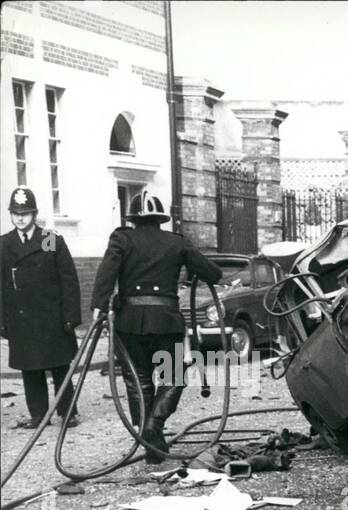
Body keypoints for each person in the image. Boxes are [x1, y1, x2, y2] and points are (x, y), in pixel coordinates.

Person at [90, 192, 222, 463]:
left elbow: (107, 271)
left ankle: (147, 434)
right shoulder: (177, 242)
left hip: (129, 322)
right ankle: (155, 427)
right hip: (166, 321)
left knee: (138, 380)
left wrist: (99, 306)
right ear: (161, 219)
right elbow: (213, 274)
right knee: (174, 377)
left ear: (133, 218)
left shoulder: (121, 238)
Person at [0, 187, 82, 428]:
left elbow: (68, 280)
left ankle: (68, 412)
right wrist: (2, 321)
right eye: (16, 213)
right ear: (11, 215)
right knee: (30, 368)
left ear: (35, 214)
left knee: (60, 366)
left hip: (52, 318)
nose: (21, 218)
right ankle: (38, 414)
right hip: (21, 319)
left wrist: (70, 316)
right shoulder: (4, 244)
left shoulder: (48, 239)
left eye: (25, 213)